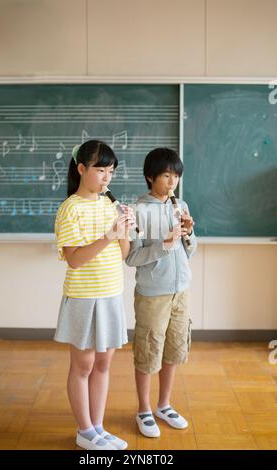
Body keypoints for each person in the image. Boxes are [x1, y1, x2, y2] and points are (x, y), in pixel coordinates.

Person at [54, 139, 135, 450]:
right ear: (81, 169)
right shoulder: (69, 208)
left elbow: (124, 254)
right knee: (83, 366)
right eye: (101, 170)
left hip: (112, 293)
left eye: (111, 171)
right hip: (84, 297)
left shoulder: (108, 205)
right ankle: (84, 430)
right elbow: (74, 259)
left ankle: (98, 428)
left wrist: (124, 231)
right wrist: (108, 235)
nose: (106, 178)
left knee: (103, 364)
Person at [125, 147, 197, 438]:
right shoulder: (137, 211)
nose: (172, 182)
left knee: (174, 347)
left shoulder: (181, 206)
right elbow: (131, 258)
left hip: (181, 291)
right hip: (153, 294)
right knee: (148, 350)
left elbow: (190, 252)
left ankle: (163, 405)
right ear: (149, 177)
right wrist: (163, 246)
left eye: (176, 176)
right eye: (166, 175)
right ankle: (143, 408)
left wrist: (189, 234)